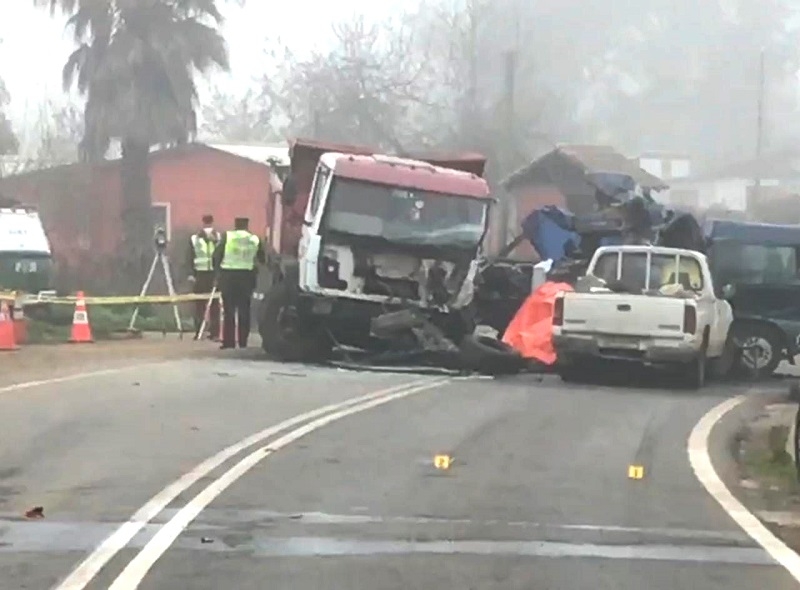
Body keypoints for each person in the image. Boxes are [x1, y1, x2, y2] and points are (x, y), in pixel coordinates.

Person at [213, 217, 266, 349]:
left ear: (235, 225)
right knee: (244, 311)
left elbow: (216, 255)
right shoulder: (254, 239)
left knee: (228, 311)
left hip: (228, 277)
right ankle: (243, 342)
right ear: (247, 225)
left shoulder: (228, 236)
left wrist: (218, 272)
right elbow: (262, 258)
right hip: (246, 278)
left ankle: (228, 342)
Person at [187, 214, 221, 340]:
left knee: (200, 305)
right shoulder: (218, 237)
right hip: (212, 275)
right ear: (212, 222)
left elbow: (189, 257)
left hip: (200, 275)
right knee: (213, 305)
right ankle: (213, 333)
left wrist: (190, 274)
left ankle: (199, 332)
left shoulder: (195, 238)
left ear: (203, 222)